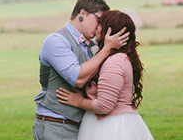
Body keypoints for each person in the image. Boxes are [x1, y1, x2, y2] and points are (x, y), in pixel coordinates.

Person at [33, 0, 130, 140]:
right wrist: (107, 49)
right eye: (98, 20)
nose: (100, 26)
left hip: (83, 126)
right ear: (82, 13)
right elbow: (78, 78)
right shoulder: (55, 41)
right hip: (56, 125)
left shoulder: (94, 45)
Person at [56, 10, 154, 140]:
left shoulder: (115, 62)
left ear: (109, 31)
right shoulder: (116, 57)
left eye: (100, 24)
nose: (96, 27)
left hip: (112, 128)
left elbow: (104, 106)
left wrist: (79, 101)